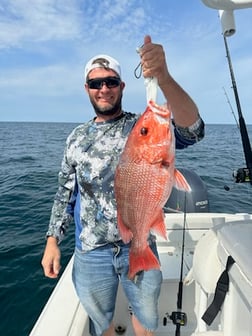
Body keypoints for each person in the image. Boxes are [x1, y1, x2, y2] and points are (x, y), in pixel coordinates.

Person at [41, 35, 204, 336]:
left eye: (111, 81)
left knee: (146, 319)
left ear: (122, 86)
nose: (104, 89)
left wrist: (164, 78)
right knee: (101, 324)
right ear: (87, 89)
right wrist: (53, 239)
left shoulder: (140, 124)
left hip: (138, 241)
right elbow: (65, 191)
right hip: (91, 251)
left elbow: (193, 131)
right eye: (95, 83)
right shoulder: (76, 138)